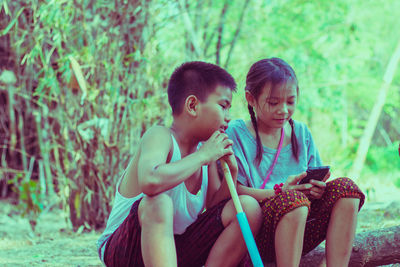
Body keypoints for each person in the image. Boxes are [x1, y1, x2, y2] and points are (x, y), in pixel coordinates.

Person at [96, 61, 262, 267]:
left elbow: (214, 208)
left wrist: (233, 171)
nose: (228, 118)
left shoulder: (204, 154)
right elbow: (150, 180)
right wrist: (203, 156)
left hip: (172, 248)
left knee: (248, 208)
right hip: (125, 249)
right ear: (192, 105)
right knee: (158, 202)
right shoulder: (160, 136)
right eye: (223, 106)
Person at [226, 58, 365, 266]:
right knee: (293, 201)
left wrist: (316, 189)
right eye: (273, 103)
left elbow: (313, 184)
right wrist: (280, 192)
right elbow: (231, 192)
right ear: (251, 99)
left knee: (347, 190)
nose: (283, 110)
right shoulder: (236, 133)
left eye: (290, 102)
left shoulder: (301, 132)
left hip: (301, 226)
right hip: (255, 234)